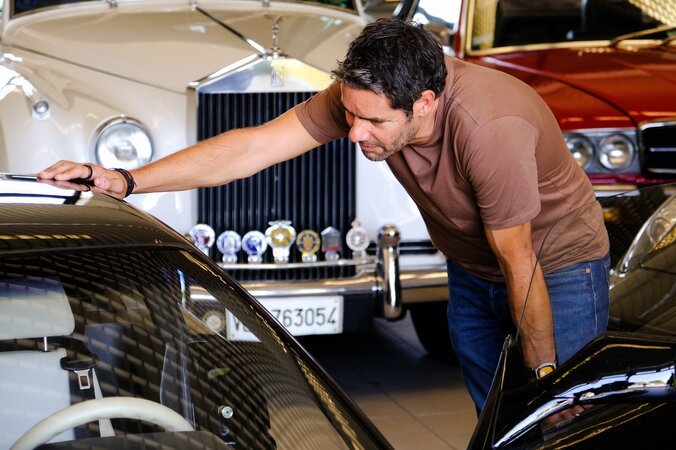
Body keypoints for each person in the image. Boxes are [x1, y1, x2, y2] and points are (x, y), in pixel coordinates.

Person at [38, 18, 610, 413]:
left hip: (555, 269)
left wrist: (547, 386)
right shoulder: (369, 97)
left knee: (560, 418)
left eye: (374, 124)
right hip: (471, 265)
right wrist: (128, 180)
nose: (355, 134)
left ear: (427, 104)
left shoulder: (489, 127)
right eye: (350, 116)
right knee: (495, 418)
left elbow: (522, 263)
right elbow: (253, 147)